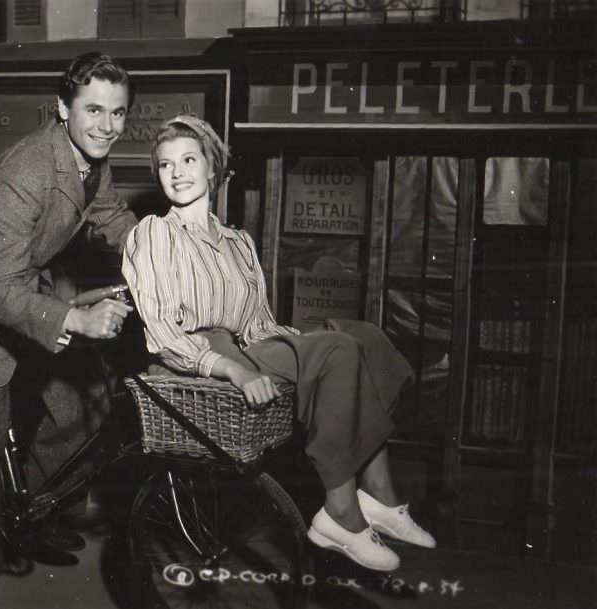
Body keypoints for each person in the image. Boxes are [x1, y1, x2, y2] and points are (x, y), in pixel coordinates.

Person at [121, 115, 436, 573]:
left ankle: (382, 497)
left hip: (244, 347)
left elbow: (258, 326)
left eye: (189, 160)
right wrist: (235, 370)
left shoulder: (238, 243)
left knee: (361, 337)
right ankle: (339, 512)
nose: (178, 172)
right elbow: (164, 335)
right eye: (166, 165)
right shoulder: (154, 234)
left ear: (213, 168)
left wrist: (306, 339)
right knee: (337, 351)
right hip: (201, 360)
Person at [0, 52, 135, 609]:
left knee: (82, 404)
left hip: (24, 288)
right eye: (93, 110)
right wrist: (75, 318)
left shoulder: (93, 160)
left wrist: (169, 256)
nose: (107, 125)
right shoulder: (25, 170)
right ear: (63, 108)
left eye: (117, 113)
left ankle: (35, 515)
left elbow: (112, 218)